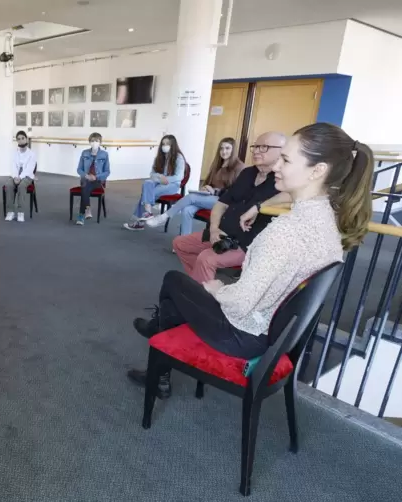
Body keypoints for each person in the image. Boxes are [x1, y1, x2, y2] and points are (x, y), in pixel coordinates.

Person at [127, 122, 373, 397]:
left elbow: (241, 303)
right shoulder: (327, 221)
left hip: (245, 334)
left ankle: (158, 364)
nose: (277, 165)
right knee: (183, 293)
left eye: (286, 159)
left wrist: (219, 289)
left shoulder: (286, 231)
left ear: (317, 171)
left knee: (173, 282)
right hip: (276, 332)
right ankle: (159, 356)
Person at [171, 131, 286, 283]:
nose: (257, 150)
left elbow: (293, 196)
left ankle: (200, 293)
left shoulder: (284, 178)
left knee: (206, 258)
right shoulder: (247, 173)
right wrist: (214, 229)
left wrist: (258, 207)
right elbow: (221, 203)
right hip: (222, 233)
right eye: (256, 146)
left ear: (282, 151)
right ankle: (202, 284)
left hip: (247, 243)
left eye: (264, 147)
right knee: (179, 243)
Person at [145, 137, 246, 234]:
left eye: (227, 148)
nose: (224, 151)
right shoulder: (218, 164)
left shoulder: (239, 167)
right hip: (211, 197)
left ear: (233, 150)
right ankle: (183, 242)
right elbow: (209, 182)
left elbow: (236, 192)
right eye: (221, 148)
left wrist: (215, 191)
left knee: (191, 198)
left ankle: (164, 217)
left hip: (224, 201)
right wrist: (205, 187)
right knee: (187, 210)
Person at [123, 135, 186, 231]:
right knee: (147, 183)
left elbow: (179, 177)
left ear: (173, 145)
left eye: (167, 144)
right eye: (163, 144)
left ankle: (140, 222)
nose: (165, 146)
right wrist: (160, 177)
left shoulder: (179, 157)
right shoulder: (159, 158)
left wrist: (167, 180)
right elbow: (152, 174)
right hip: (159, 181)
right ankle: (148, 212)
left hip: (172, 184)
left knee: (148, 193)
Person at [75, 132, 111, 226]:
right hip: (86, 179)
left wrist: (96, 177)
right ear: (89, 142)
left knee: (84, 187)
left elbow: (107, 172)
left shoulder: (104, 154)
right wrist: (86, 175)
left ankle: (82, 214)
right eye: (92, 141)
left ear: (100, 142)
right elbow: (79, 169)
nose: (94, 143)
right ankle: (87, 208)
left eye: (96, 141)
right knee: (85, 184)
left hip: (98, 181)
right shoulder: (85, 153)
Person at [5, 131, 37, 222]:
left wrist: (20, 177)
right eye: (18, 139)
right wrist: (15, 176)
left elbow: (30, 169)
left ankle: (20, 212)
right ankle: (10, 211)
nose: (21, 141)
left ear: (26, 139)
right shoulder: (14, 153)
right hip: (15, 175)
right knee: (8, 185)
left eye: (23, 138)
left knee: (22, 186)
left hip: (27, 176)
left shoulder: (32, 154)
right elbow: (13, 166)